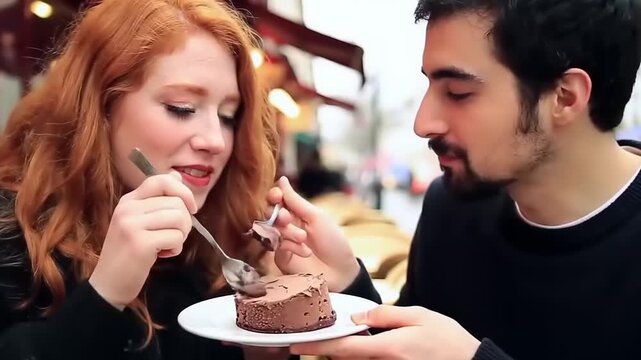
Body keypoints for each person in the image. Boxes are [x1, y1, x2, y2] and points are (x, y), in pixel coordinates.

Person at [0, 1, 379, 359]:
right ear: (99, 108)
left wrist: (346, 286)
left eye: (229, 116)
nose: (215, 141)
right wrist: (105, 295)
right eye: (181, 109)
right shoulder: (14, 237)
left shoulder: (223, 243)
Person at [268, 0, 641, 359]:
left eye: (458, 93)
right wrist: (347, 284)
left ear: (564, 97)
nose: (423, 123)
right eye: (430, 87)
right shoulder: (450, 208)